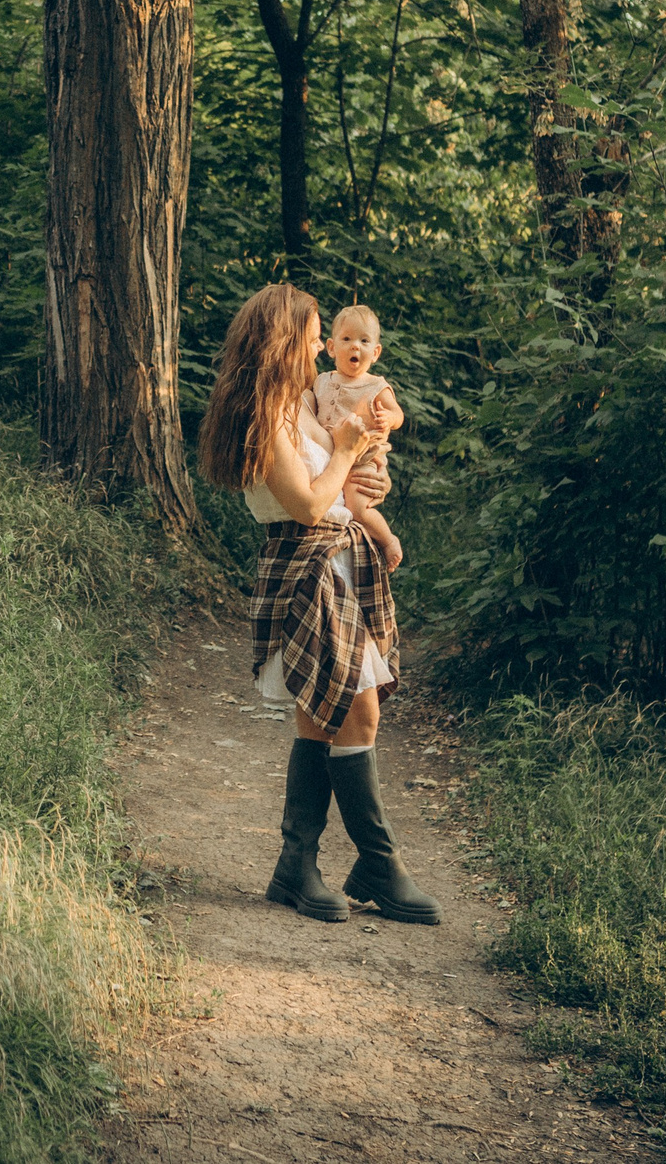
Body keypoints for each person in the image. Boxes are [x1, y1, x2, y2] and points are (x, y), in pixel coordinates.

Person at [199, 283, 440, 926]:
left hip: (337, 558)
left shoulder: (303, 402)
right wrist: (345, 455)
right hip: (303, 564)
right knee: (355, 711)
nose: (318, 349)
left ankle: (297, 867)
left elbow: (347, 471)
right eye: (310, 339)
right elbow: (307, 503)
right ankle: (374, 863)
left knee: (323, 717)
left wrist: (371, 472)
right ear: (283, 341)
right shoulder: (263, 415)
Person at [305, 304, 405, 573]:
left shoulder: (376, 386)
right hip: (333, 458)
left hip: (362, 460)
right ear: (331, 347)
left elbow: (398, 414)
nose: (355, 347)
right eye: (346, 339)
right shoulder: (321, 381)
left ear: (376, 352)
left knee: (358, 508)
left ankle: (387, 541)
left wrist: (389, 420)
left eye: (363, 341)